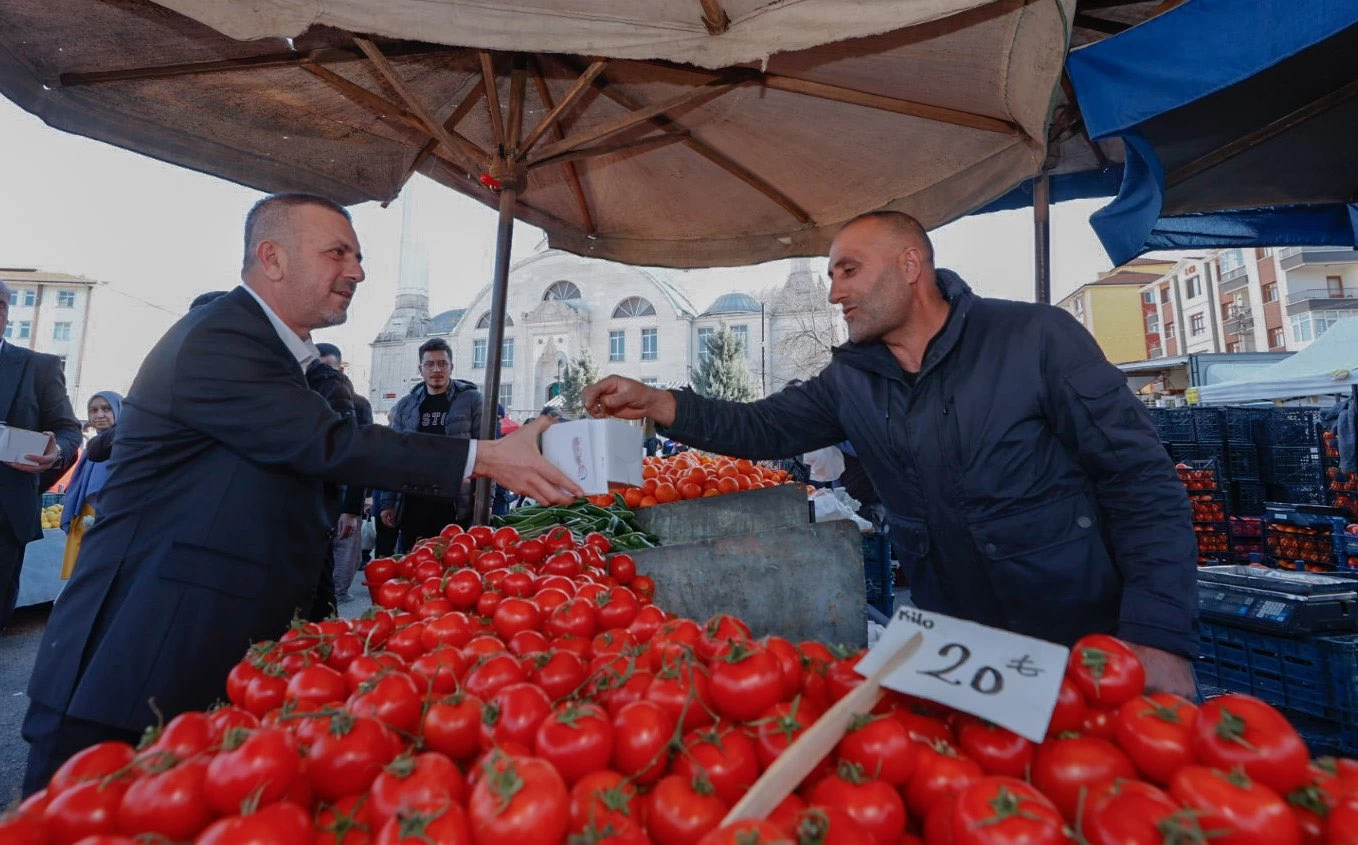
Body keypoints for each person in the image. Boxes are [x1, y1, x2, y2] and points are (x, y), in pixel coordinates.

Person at [22, 193, 582, 793]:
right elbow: (327, 442)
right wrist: (486, 454)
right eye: (338, 252)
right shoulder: (222, 336)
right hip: (133, 662)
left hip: (189, 658)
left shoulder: (279, 353)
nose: (359, 271)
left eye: (360, 256)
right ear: (274, 258)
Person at [584, 210, 1198, 697]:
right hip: (961, 651)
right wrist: (659, 402)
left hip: (1082, 642)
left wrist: (1158, 637)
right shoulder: (851, 379)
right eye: (831, 276)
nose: (833, 293)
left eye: (847, 271)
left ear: (910, 265)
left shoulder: (1037, 338)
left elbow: (1140, 482)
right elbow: (760, 426)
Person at [0, 281, 82, 632]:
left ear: (6, 311)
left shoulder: (38, 367)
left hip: (4, 516)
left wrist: (55, 451)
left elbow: (68, 431)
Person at [378, 338, 482, 549]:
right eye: (430, 364)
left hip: (455, 503)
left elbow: (486, 451)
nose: (436, 369)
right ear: (420, 369)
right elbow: (394, 457)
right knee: (413, 564)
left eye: (442, 363)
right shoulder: (406, 406)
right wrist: (388, 503)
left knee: (454, 564)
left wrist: (484, 503)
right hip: (414, 502)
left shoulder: (471, 400)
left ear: (451, 366)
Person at [313, 341, 369, 604]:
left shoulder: (357, 403)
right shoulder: (303, 396)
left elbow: (362, 453)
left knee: (342, 554)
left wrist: (354, 506)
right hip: (314, 499)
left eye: (327, 370)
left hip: (344, 494)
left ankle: (337, 595)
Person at [59, 391, 123, 579]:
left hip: (105, 520)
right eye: (93, 410)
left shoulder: (123, 447)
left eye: (106, 408)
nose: (99, 415)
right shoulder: (93, 447)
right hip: (83, 518)